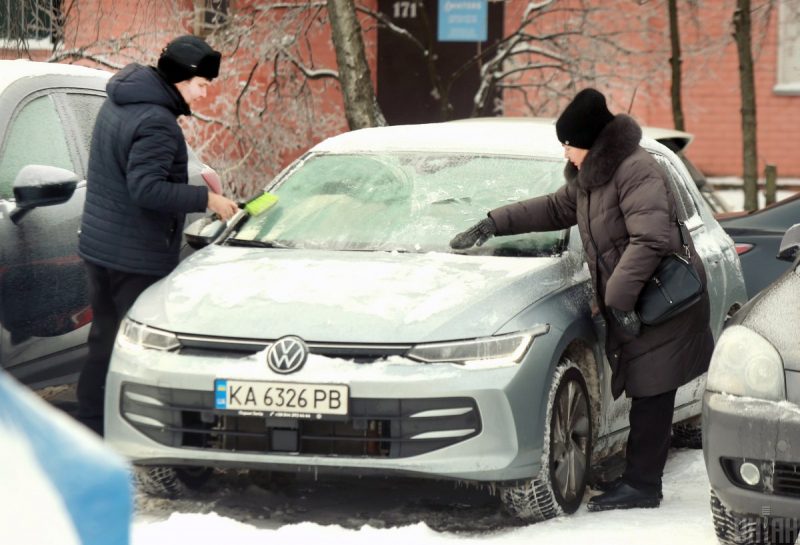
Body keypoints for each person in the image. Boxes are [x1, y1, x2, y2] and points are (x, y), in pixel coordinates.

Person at [450, 88, 714, 511]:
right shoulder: (594, 178)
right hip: (639, 298)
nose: (566, 153)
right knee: (647, 389)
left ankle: (643, 486)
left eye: (569, 144)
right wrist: (494, 222)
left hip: (661, 300)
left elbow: (650, 239)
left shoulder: (636, 171)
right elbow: (555, 208)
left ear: (590, 141)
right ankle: (638, 479)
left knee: (653, 392)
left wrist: (618, 300)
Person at [76, 35, 239, 435]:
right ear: (182, 78)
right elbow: (146, 190)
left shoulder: (122, 100)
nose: (204, 94)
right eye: (201, 84)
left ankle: (92, 428)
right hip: (134, 256)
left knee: (104, 342)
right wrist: (208, 199)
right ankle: (144, 432)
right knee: (143, 349)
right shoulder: (157, 122)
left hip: (101, 247)